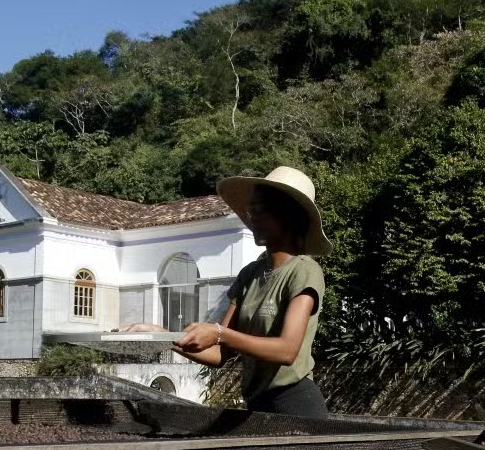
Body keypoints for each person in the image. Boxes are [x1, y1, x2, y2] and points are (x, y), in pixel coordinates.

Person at [128, 166, 332, 418]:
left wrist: (220, 333)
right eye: (252, 209)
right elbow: (219, 353)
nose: (253, 216)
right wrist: (160, 335)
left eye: (262, 209)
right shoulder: (250, 274)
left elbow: (287, 350)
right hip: (256, 405)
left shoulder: (303, 272)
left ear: (289, 215)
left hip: (295, 403)